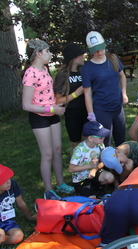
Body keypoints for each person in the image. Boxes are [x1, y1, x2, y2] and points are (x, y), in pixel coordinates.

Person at [21, 39, 74, 200]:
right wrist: (52, 109)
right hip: (39, 118)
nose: (50, 54)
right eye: (47, 51)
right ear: (38, 53)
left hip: (53, 116)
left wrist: (55, 109)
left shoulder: (44, 69)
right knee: (48, 154)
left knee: (57, 150)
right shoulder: (30, 73)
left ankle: (60, 184)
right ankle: (48, 190)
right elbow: (26, 105)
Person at [81, 31, 128, 147]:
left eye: (101, 48)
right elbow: (87, 93)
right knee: (104, 142)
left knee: (121, 138)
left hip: (117, 106)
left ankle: (121, 163)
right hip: (102, 109)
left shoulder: (113, 59)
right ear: (91, 51)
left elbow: (122, 75)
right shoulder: (87, 68)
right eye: (95, 50)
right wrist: (91, 114)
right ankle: (106, 164)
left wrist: (124, 93)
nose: (99, 52)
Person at [54, 43, 87, 156]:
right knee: (75, 143)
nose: (84, 57)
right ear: (74, 57)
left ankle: (87, 167)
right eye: (81, 55)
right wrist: (76, 93)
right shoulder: (62, 75)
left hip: (87, 110)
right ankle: (75, 168)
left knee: (87, 141)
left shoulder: (83, 71)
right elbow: (58, 100)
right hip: (72, 112)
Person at [69, 121, 115, 198]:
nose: (104, 137)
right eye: (100, 136)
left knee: (110, 177)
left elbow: (103, 161)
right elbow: (71, 169)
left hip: (94, 173)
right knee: (92, 200)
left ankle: (95, 185)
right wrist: (89, 166)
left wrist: (94, 169)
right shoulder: (79, 150)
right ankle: (82, 189)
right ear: (90, 138)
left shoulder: (100, 145)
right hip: (81, 179)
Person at [0, 165, 36, 246]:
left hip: (7, 220)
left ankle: (2, 239)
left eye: (8, 178)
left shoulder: (12, 185)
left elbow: (20, 203)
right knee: (1, 233)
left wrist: (30, 217)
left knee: (18, 236)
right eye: (4, 181)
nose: (8, 181)